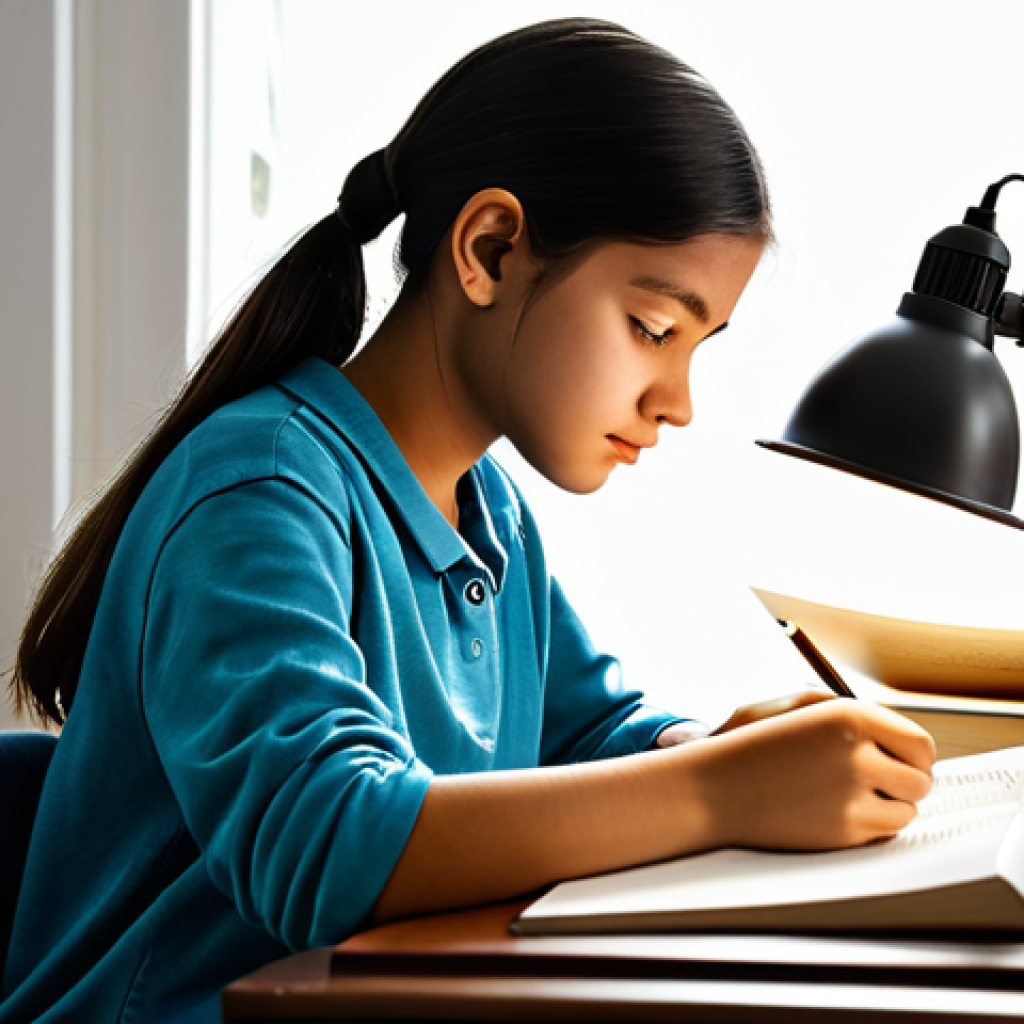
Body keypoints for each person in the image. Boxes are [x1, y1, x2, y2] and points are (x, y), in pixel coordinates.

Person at [1, 17, 936, 1024]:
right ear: (489, 249)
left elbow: (582, 730)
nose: (678, 400)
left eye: (695, 345)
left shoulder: (487, 513)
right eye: (653, 328)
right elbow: (324, 843)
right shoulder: (261, 488)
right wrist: (723, 790)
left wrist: (706, 743)